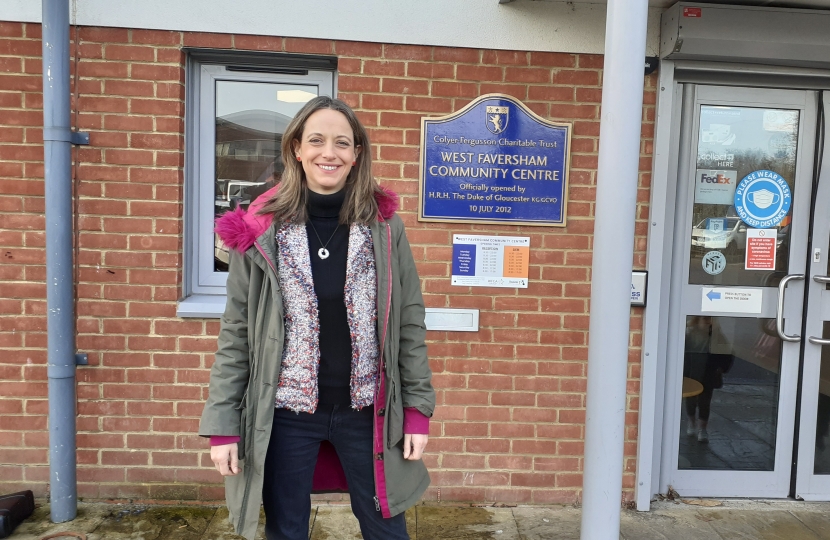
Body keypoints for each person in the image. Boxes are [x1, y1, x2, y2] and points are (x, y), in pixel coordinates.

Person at [199, 96, 435, 540]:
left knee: (387, 529)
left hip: (369, 411)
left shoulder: (384, 227)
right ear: (296, 150)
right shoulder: (261, 230)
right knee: (286, 530)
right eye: (317, 140)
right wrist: (222, 426)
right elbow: (235, 334)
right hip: (285, 413)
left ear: (356, 153)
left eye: (342, 142)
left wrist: (418, 411)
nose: (330, 152)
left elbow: (408, 323)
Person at [683, 316, 733, 443]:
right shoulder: (689, 334)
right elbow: (681, 352)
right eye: (704, 320)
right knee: (690, 400)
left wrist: (721, 368)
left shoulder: (717, 335)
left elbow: (727, 352)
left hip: (708, 373)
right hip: (691, 372)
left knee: (705, 402)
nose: (707, 323)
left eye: (709, 320)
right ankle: (691, 421)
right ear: (697, 320)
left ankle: (702, 428)